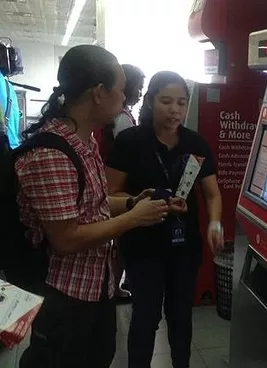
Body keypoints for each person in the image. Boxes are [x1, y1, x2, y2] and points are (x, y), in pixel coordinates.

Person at [16, 45, 169, 368]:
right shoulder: (52, 155)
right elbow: (66, 238)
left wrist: (131, 202)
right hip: (64, 298)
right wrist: (132, 218)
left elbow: (93, 205)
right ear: (99, 93)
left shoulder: (83, 143)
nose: (127, 97)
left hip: (97, 289)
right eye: (122, 89)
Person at [106, 71, 223, 368]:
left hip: (184, 247)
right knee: (146, 316)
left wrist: (214, 223)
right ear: (150, 101)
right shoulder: (130, 142)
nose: (175, 110)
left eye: (182, 103)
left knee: (181, 314)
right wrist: (136, 203)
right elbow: (109, 195)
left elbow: (212, 194)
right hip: (143, 245)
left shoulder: (195, 144)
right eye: (166, 101)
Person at [94, 63, 145, 299]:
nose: (140, 93)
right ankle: (114, 287)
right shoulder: (123, 119)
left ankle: (113, 286)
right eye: (139, 87)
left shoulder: (111, 117)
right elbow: (130, 153)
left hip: (106, 177)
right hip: (120, 185)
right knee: (122, 240)